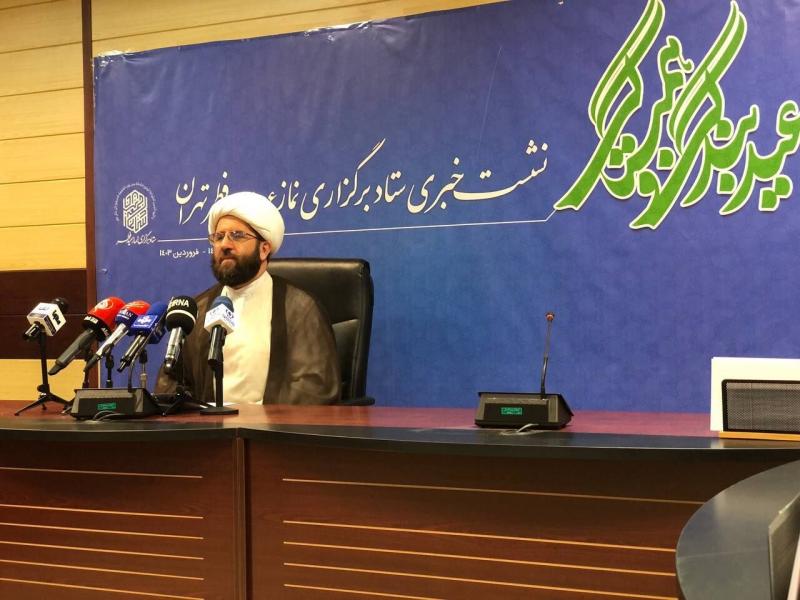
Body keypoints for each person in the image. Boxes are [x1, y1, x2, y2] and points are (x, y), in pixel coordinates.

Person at [156, 191, 341, 404]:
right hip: (209, 424)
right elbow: (170, 382)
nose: (224, 244)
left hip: (270, 424)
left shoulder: (300, 309)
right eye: (218, 237)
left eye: (237, 235)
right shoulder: (198, 309)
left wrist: (259, 418)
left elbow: (316, 389)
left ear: (264, 249)